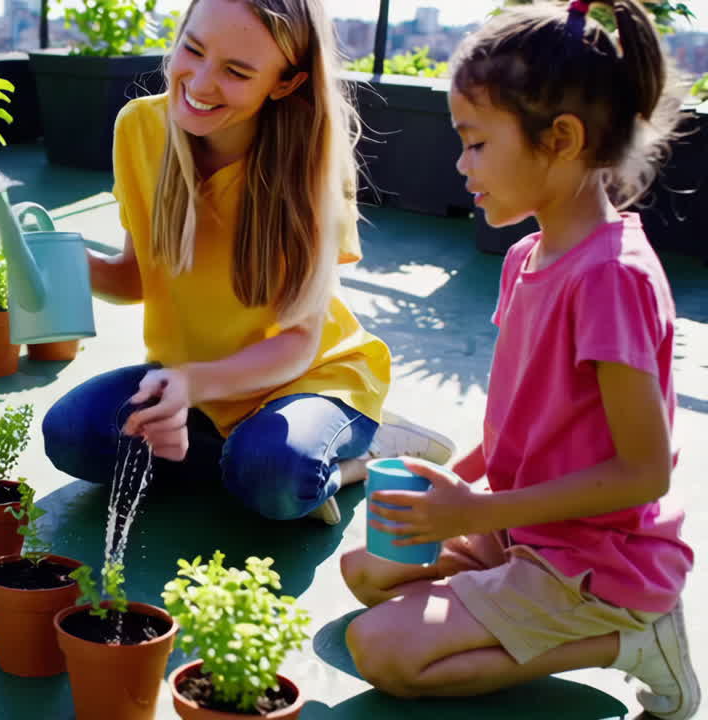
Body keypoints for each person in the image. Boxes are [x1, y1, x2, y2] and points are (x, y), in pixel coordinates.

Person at [340, 2, 698, 718]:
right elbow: (527, 416)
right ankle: (511, 588)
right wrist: (461, 483)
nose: (461, 164)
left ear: (560, 139)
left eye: (475, 143)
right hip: (524, 529)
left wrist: (475, 510)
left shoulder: (612, 278)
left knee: (383, 649)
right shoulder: (528, 256)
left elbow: (642, 472)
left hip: (597, 558)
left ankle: (632, 641)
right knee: (366, 572)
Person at [41, 0, 455, 526]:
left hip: (306, 377)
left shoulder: (311, 164)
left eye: (237, 72)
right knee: (73, 438)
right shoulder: (139, 127)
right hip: (191, 382)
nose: (202, 81)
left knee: (275, 480)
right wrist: (70, 263)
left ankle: (365, 448)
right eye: (192, 48)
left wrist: (192, 386)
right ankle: (253, 459)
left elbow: (300, 341)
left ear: (284, 83)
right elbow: (136, 278)